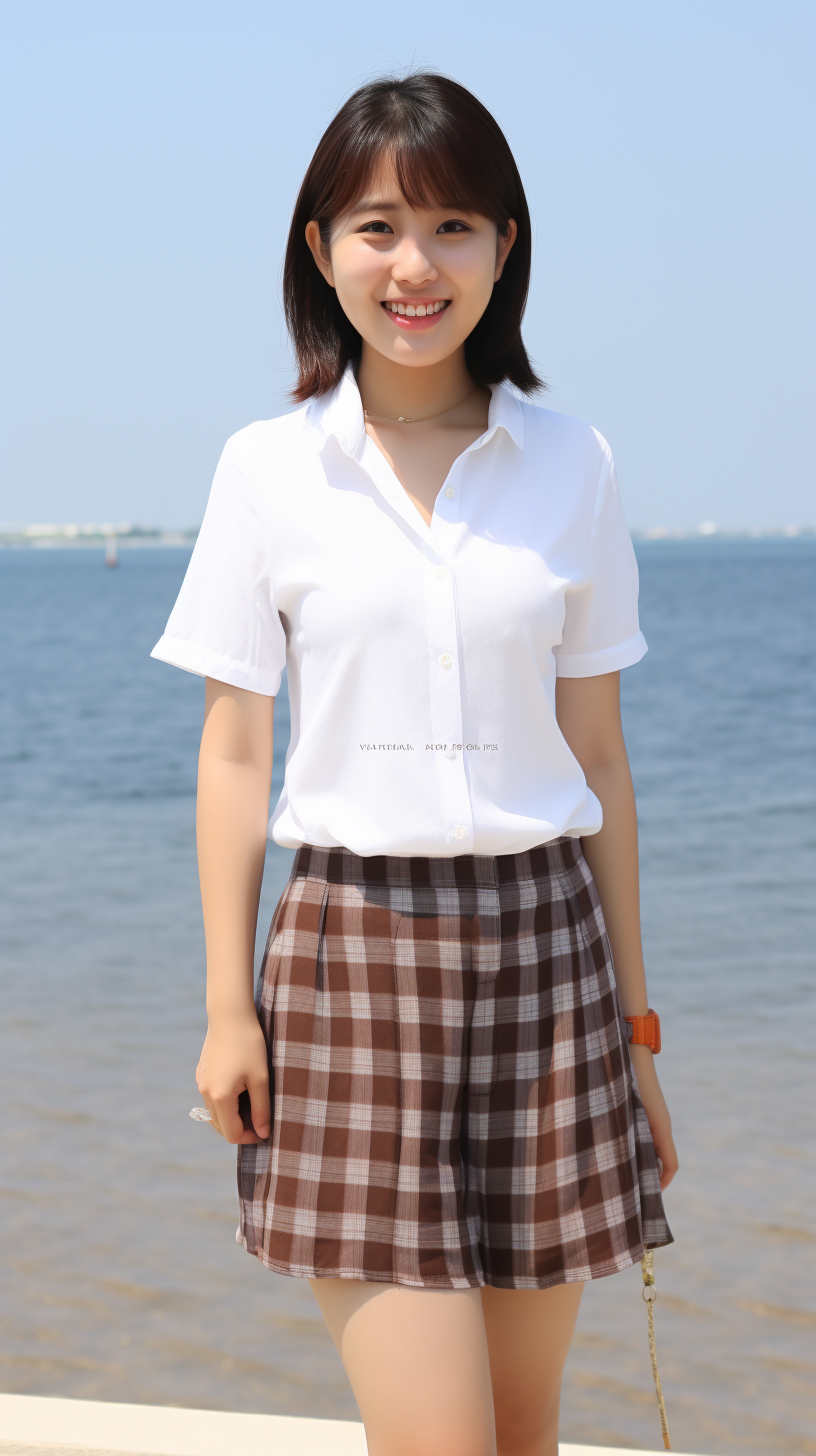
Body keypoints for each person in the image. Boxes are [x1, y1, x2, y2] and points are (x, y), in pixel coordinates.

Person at [152, 71, 677, 1456]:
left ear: (505, 247)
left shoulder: (575, 464)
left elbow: (602, 764)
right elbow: (236, 751)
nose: (415, 264)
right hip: (348, 954)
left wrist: (637, 1031)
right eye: (378, 225)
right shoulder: (267, 471)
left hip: (549, 960)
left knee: (522, 1431)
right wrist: (226, 1008)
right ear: (319, 248)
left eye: (453, 226)